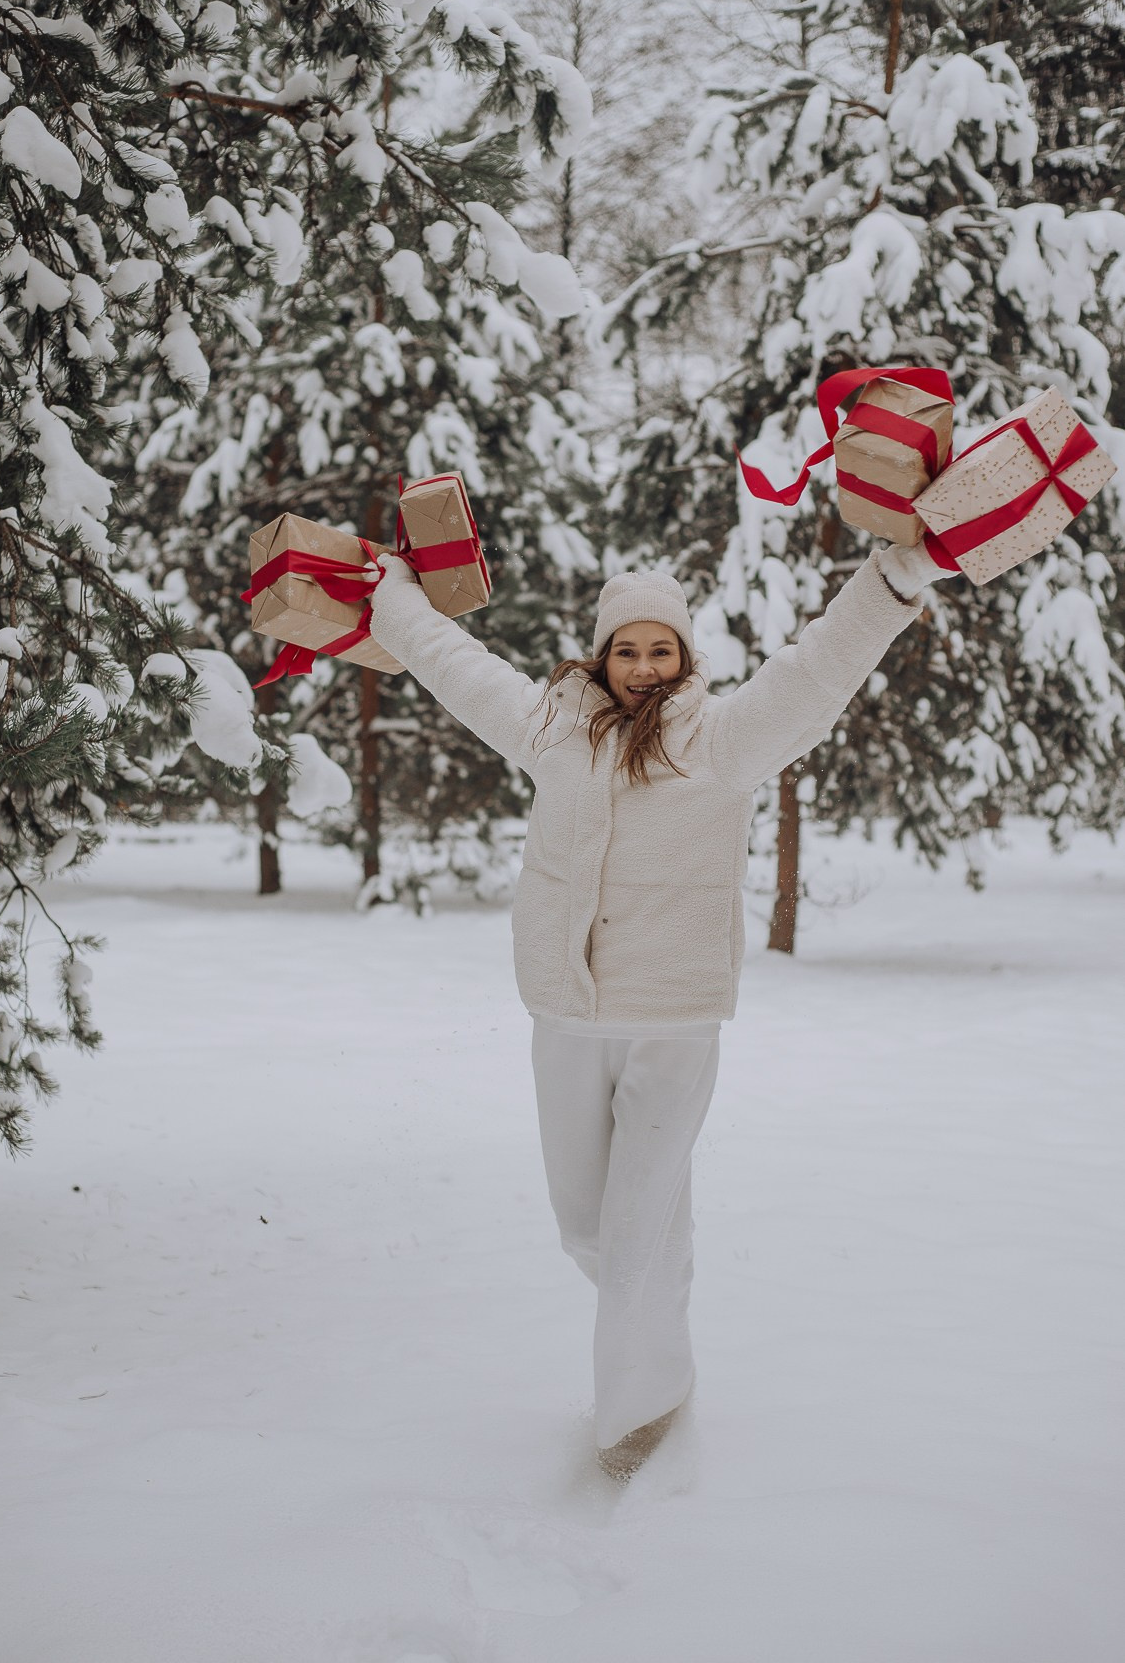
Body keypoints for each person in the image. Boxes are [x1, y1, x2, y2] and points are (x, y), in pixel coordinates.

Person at [369, 538, 948, 1481]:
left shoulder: (726, 739)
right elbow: (455, 666)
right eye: (628, 651)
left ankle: (639, 1415)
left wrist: (892, 578)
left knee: (637, 1227)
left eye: (662, 651)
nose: (645, 670)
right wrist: (392, 602)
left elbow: (821, 663)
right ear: (603, 657)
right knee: (585, 1226)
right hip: (565, 1012)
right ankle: (652, 1319)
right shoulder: (551, 730)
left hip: (673, 1019)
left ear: (686, 659)